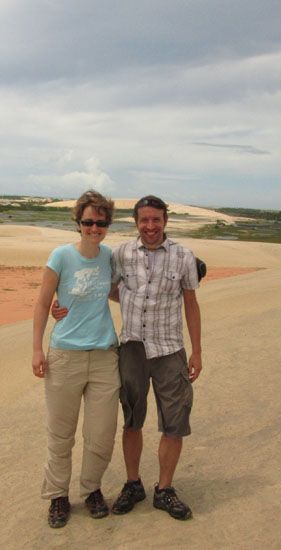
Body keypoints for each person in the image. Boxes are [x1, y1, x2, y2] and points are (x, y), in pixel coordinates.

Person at [109, 195, 202, 521]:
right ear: (136, 222)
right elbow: (109, 289)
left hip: (169, 350)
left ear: (165, 221)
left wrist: (197, 351)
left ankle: (165, 490)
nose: (150, 227)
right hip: (132, 348)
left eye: (156, 220)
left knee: (174, 422)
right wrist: (133, 303)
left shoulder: (183, 256)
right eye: (144, 220)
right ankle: (133, 484)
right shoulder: (121, 254)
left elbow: (190, 303)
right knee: (132, 419)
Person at [32, 190, 120, 528]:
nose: (94, 228)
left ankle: (92, 489)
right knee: (61, 434)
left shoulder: (109, 256)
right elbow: (42, 303)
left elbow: (112, 291)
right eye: (88, 222)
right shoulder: (61, 257)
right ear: (78, 223)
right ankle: (57, 496)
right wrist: (37, 349)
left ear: (108, 224)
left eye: (101, 222)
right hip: (64, 355)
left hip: (103, 356)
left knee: (100, 433)